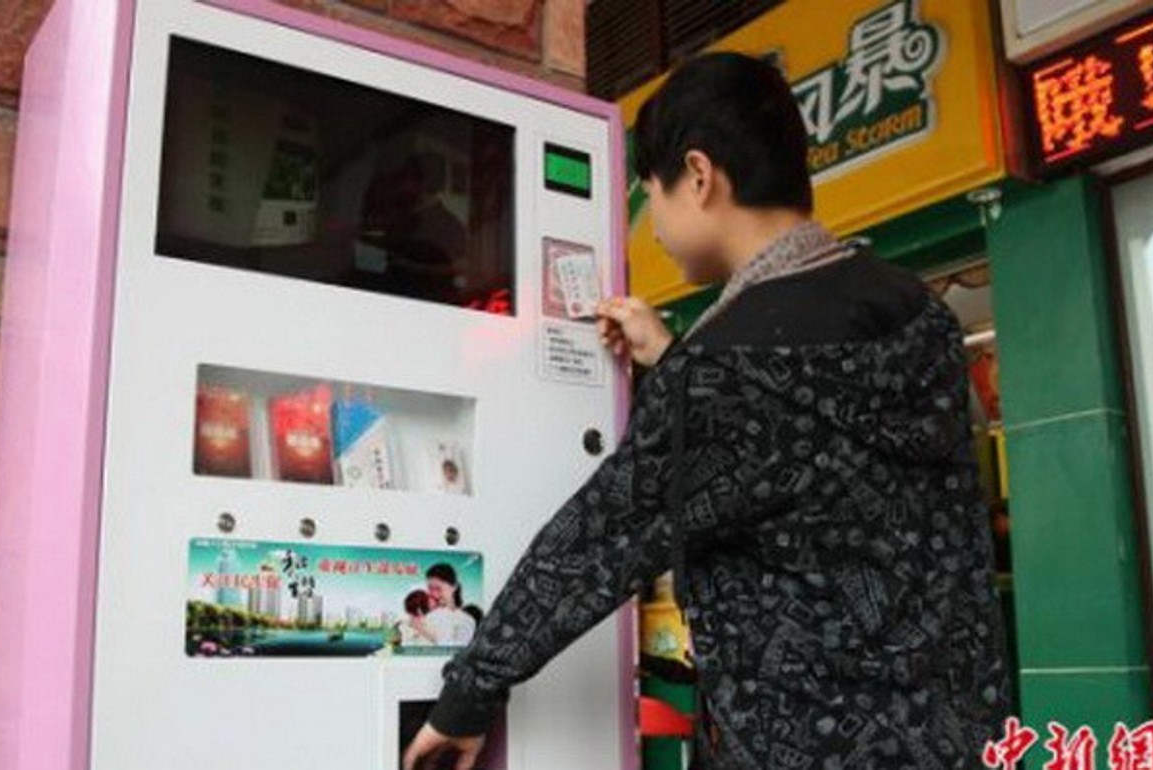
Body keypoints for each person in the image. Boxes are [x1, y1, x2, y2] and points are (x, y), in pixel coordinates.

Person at [403, 52, 1011, 770]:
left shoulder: (724, 370)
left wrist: (468, 695)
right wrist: (675, 360)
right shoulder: (922, 316)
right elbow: (810, 455)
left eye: (650, 195)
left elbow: (597, 541)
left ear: (698, 175)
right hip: (960, 738)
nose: (650, 224)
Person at [422, 563, 477, 647]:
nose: (434, 594)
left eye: (438, 589)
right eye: (430, 588)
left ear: (454, 587)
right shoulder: (426, 616)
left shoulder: (466, 620)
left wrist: (426, 633)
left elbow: (459, 650)